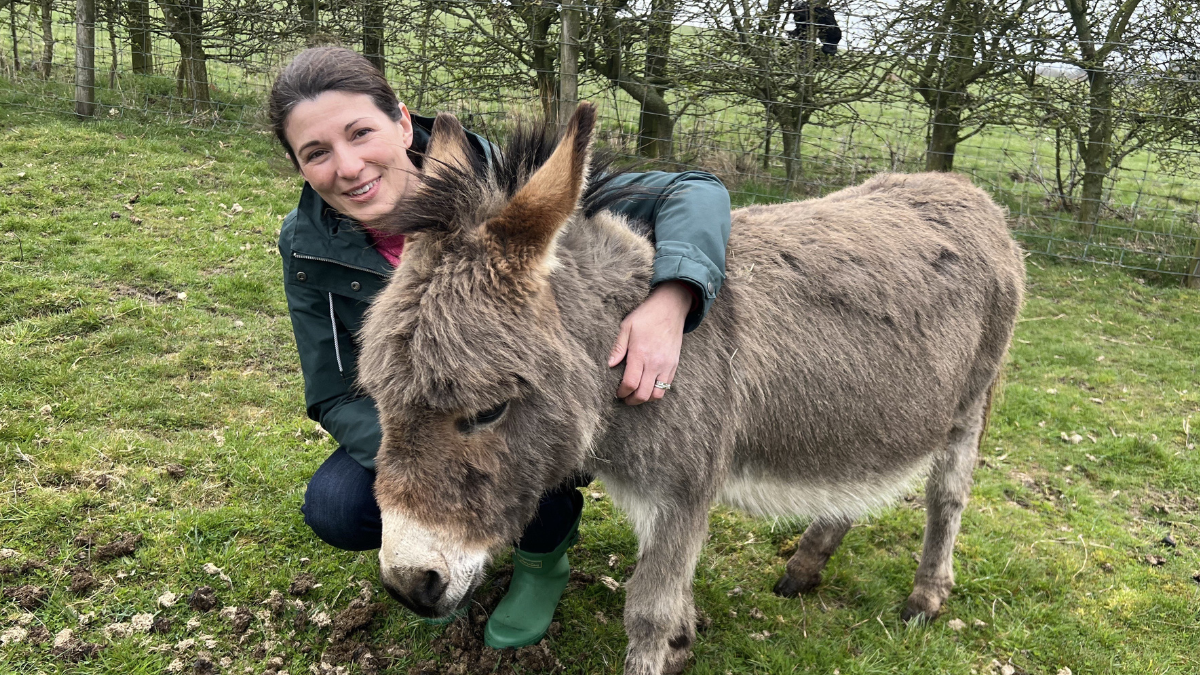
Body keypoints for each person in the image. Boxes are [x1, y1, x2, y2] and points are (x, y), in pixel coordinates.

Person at [269, 46, 731, 649]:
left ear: (404, 123)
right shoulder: (306, 245)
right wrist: (419, 452)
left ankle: (542, 559)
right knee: (337, 505)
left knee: (521, 430)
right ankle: (457, 533)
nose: (349, 166)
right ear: (299, 166)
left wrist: (674, 298)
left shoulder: (514, 197)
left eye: (361, 133)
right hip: (410, 421)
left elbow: (696, 190)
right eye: (316, 153)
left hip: (528, 405)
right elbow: (332, 390)